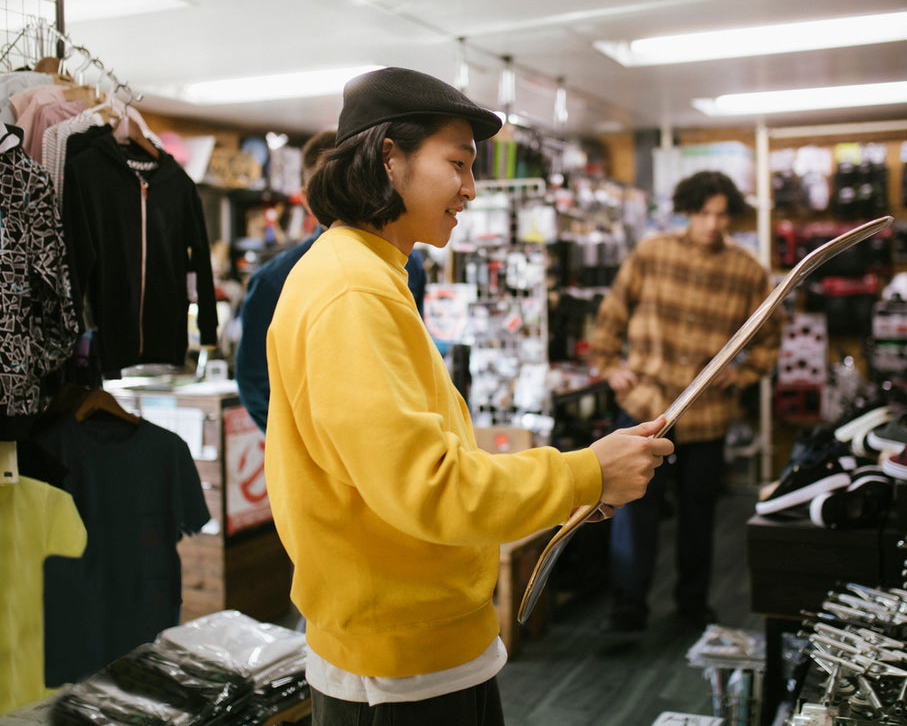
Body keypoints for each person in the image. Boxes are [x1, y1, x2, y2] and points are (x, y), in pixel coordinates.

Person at [262, 66, 674, 726]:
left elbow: (418, 462)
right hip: (398, 666)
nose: (471, 189)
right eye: (457, 163)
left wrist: (573, 489)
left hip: (414, 645)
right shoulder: (351, 291)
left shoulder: (370, 273)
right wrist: (582, 471)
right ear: (389, 157)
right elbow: (430, 485)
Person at [588, 169, 782, 634]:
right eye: (704, 213)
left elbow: (772, 335)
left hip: (706, 417)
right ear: (688, 211)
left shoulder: (747, 270)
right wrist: (610, 366)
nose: (713, 224)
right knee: (633, 513)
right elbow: (612, 312)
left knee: (699, 518)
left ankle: (692, 607)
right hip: (644, 410)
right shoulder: (652, 253)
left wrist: (746, 373)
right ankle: (627, 610)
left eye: (722, 215)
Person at [234, 128, 427, 432]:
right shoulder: (273, 280)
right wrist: (307, 447)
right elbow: (256, 383)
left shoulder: (408, 264)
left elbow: (413, 357)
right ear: (309, 197)